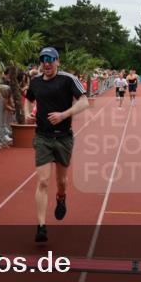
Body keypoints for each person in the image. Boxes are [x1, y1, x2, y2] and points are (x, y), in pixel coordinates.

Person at [24, 47, 89, 243]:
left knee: (61, 181)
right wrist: (28, 113)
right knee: (43, 181)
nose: (47, 63)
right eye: (43, 59)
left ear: (57, 61)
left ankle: (61, 198)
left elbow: (84, 102)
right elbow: (28, 100)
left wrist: (63, 115)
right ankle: (41, 226)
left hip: (63, 138)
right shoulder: (35, 82)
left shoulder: (68, 79)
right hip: (42, 137)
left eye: (50, 59)